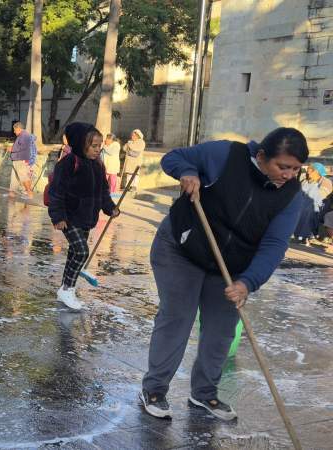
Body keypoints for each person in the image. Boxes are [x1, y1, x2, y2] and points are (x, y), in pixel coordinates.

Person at [140, 128, 309, 421]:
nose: (289, 175)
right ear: (261, 156)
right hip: (183, 247)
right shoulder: (226, 155)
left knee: (221, 329)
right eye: (283, 166)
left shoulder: (291, 196)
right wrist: (188, 171)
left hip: (231, 265)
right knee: (178, 317)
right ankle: (154, 389)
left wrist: (247, 282)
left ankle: (204, 394)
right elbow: (174, 157)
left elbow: (274, 244)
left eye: (296, 169)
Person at [48, 122, 119, 311]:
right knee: (81, 251)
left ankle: (64, 288)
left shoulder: (98, 165)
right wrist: (58, 216)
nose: (98, 150)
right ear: (81, 143)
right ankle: (68, 289)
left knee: (73, 252)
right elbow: (56, 192)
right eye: (93, 146)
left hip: (87, 217)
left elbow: (103, 191)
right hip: (69, 217)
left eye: (99, 145)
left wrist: (110, 207)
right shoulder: (69, 163)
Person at [293, 163, 332, 242]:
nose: (308, 173)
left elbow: (320, 196)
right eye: (308, 171)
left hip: (320, 205)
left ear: (317, 172)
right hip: (304, 202)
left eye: (310, 171)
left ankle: (305, 236)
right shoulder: (305, 181)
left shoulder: (326, 182)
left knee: (309, 209)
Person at [10, 122, 35, 198]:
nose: (14, 132)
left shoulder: (24, 135)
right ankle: (12, 193)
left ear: (19, 129)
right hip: (16, 160)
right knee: (14, 178)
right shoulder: (21, 135)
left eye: (15, 130)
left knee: (23, 177)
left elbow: (22, 146)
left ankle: (29, 193)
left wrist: (12, 149)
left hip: (20, 160)